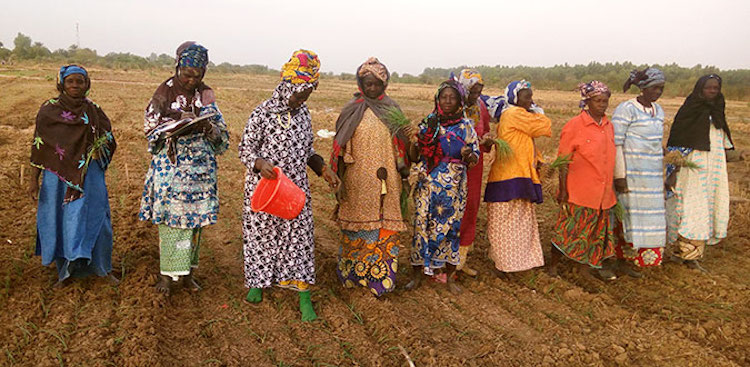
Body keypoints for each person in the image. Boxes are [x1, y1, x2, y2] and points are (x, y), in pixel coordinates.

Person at [239, 50, 339, 321]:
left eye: (306, 95)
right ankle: (258, 284)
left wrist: (323, 169)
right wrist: (260, 164)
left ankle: (304, 296)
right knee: (262, 237)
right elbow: (245, 149)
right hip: (265, 188)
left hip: (294, 190)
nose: (300, 99)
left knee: (300, 239)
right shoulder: (262, 112)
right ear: (285, 86)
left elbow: (307, 151)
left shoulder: (303, 114)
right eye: (297, 94)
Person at [139, 42, 229, 295]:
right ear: (177, 67)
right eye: (186, 74)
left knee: (194, 226)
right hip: (172, 173)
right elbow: (150, 130)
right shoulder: (162, 95)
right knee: (172, 223)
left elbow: (222, 135)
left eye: (197, 76)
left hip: (200, 175)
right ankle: (167, 276)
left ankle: (188, 274)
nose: (191, 80)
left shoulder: (207, 97)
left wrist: (208, 129)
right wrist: (174, 128)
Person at [29, 64, 118, 287]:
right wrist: (33, 179)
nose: (75, 85)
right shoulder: (49, 111)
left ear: (87, 84)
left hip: (90, 174)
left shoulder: (93, 110)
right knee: (63, 220)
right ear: (62, 84)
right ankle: (65, 272)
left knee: (97, 218)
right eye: (71, 81)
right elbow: (39, 147)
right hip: (58, 178)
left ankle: (101, 268)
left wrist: (101, 149)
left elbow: (109, 138)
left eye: (80, 81)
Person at [330, 57, 410, 297]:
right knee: (356, 225)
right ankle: (352, 276)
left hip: (386, 180)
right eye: (367, 84)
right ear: (360, 83)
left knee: (384, 226)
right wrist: (337, 175)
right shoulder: (352, 109)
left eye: (376, 84)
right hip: (357, 180)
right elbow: (339, 144)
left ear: (384, 84)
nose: (371, 89)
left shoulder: (392, 110)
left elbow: (404, 148)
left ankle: (380, 281)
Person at [406, 79, 479, 294]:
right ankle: (416, 274)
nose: (447, 101)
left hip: (453, 187)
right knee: (422, 227)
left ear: (459, 101)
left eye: (452, 97)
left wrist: (469, 154)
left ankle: (450, 276)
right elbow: (414, 156)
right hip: (427, 185)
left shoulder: (466, 127)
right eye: (443, 97)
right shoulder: (429, 123)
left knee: (450, 229)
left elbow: (474, 159)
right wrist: (414, 143)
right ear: (437, 99)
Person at [665, 74, 743, 270]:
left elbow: (723, 141)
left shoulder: (718, 109)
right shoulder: (690, 109)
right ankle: (687, 255)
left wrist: (735, 155)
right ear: (700, 88)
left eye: (716, 88)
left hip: (714, 169)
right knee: (691, 206)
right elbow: (678, 141)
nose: (712, 91)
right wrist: (674, 169)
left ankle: (690, 253)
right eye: (709, 88)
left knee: (707, 205)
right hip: (693, 169)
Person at [549, 81, 617, 280]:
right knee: (568, 231)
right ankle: (553, 266)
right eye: (597, 100)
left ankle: (584, 269)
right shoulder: (575, 125)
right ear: (588, 102)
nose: (602, 105)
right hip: (579, 191)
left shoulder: (608, 126)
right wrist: (563, 189)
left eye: (605, 101)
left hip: (602, 194)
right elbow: (563, 161)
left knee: (594, 234)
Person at [484, 80, 550, 277]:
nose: (531, 100)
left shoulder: (517, 114)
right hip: (511, 175)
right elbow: (543, 126)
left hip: (515, 174)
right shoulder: (514, 114)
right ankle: (505, 263)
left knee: (515, 222)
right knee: (507, 223)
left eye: (531, 95)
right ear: (514, 97)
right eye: (526, 96)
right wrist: (539, 111)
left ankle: (512, 262)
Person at [612, 67, 667, 275]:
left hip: (651, 177)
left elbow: (655, 140)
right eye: (655, 88)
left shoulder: (658, 111)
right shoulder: (626, 109)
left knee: (651, 217)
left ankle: (647, 260)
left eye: (661, 89)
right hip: (632, 175)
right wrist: (620, 176)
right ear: (643, 88)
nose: (658, 92)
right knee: (630, 215)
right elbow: (616, 144)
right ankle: (624, 259)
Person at [456, 69, 494, 277]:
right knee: (451, 209)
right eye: (472, 91)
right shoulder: (452, 103)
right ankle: (444, 263)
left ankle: (460, 261)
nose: (476, 96)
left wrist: (486, 141)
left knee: (470, 208)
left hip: (474, 167)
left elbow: (485, 130)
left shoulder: (481, 107)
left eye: (479, 91)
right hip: (453, 165)